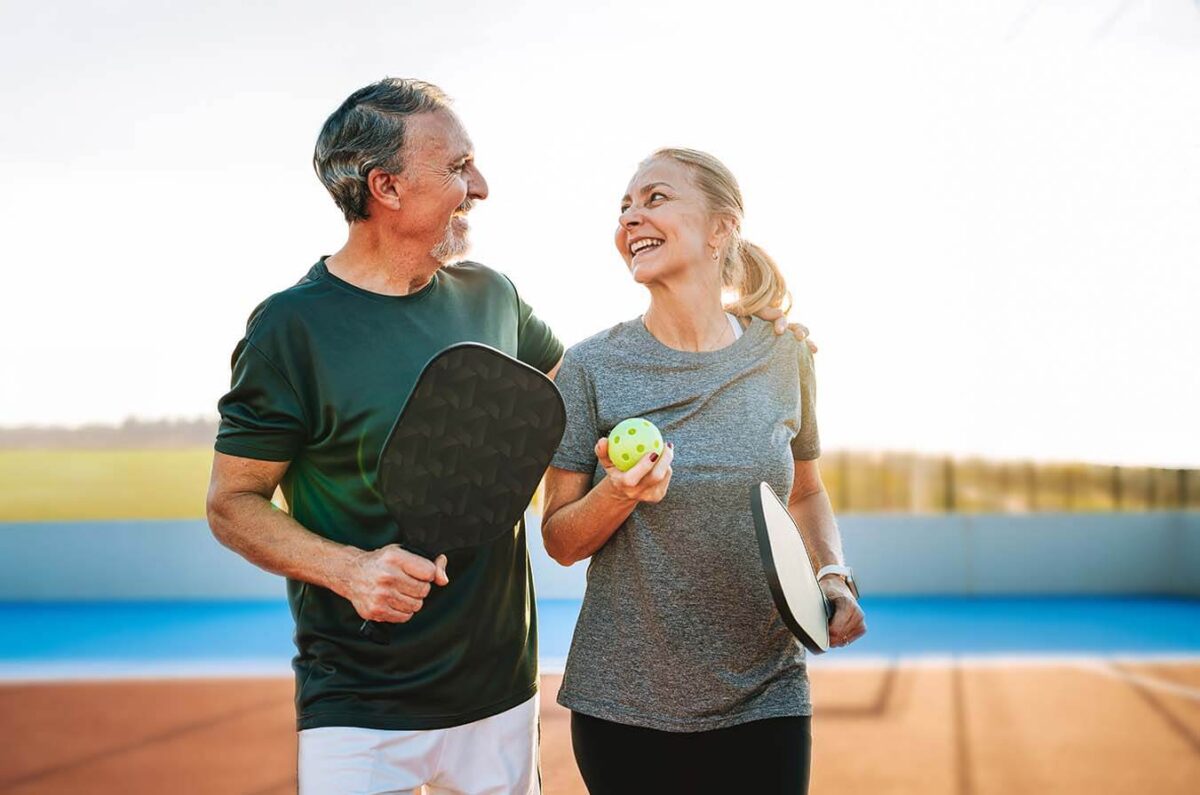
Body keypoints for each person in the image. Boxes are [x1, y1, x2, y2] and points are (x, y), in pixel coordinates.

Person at [206, 79, 815, 794]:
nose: (481, 186)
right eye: (458, 167)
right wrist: (350, 570)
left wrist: (758, 350)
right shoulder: (289, 329)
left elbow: (595, 388)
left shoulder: (493, 297)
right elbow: (231, 502)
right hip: (358, 703)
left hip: (499, 696)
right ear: (387, 187)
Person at [541, 148, 867, 794]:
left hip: (765, 697)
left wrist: (832, 573)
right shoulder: (589, 367)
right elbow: (558, 538)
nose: (632, 216)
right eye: (624, 207)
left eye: (654, 198)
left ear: (720, 229)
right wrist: (620, 494)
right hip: (623, 708)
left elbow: (805, 493)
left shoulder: (785, 354)